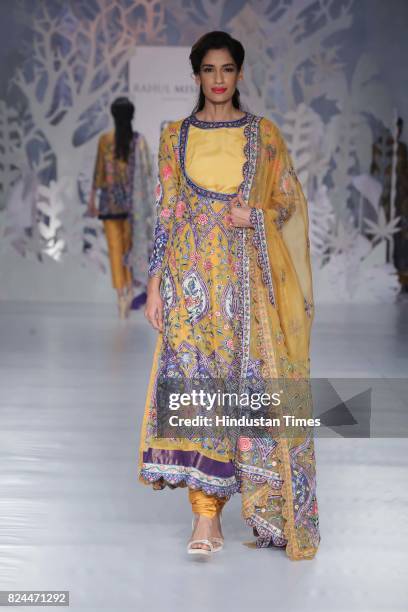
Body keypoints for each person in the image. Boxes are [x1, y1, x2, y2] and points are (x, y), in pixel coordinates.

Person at [138, 31, 321, 560]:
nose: (218, 80)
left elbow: (288, 203)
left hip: (248, 287)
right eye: (209, 70)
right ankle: (205, 517)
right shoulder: (173, 136)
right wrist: (154, 286)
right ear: (196, 75)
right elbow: (166, 215)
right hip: (189, 284)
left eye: (227, 70)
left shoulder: (264, 137)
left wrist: (257, 218)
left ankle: (263, 506)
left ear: (239, 75)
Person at [88, 97, 154, 318]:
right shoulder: (138, 141)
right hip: (132, 207)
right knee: (129, 251)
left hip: (109, 205)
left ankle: (122, 295)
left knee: (116, 252)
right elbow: (146, 174)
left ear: (113, 115)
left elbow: (99, 173)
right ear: (132, 115)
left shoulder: (105, 140)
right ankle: (127, 292)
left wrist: (91, 200)